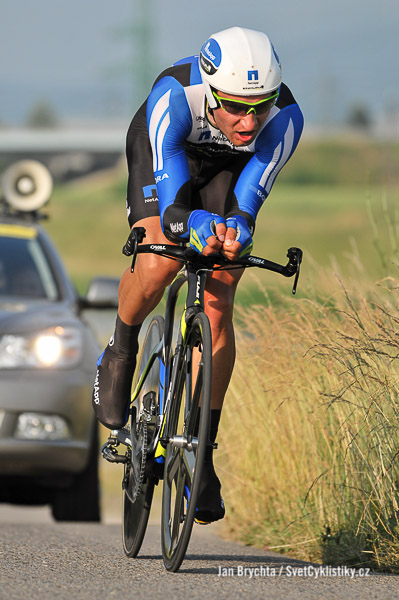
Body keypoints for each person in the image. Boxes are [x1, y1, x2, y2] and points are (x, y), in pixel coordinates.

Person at [92, 26, 304, 523]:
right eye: (234, 106)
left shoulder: (284, 119)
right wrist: (188, 222)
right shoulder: (176, 95)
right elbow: (171, 214)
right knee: (161, 257)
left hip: (230, 170)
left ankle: (202, 453)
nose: (249, 121)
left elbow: (248, 201)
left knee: (220, 292)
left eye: (260, 105)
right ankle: (122, 346)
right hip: (167, 157)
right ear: (211, 90)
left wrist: (239, 229)